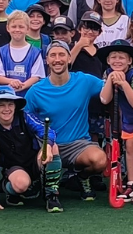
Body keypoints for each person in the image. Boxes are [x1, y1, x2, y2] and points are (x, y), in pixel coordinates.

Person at [24, 41, 110, 188]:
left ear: (69, 58)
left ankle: (79, 177)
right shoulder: (36, 90)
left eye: (61, 55)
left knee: (100, 160)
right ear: (47, 60)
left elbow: (109, 86)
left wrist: (128, 72)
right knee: (36, 174)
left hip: (78, 145)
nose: (57, 59)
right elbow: (23, 117)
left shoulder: (84, 81)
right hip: (48, 145)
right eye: (53, 55)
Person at [0, 85, 62, 212]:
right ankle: (7, 187)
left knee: (53, 147)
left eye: (10, 104)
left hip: (34, 161)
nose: (7, 109)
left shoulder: (25, 117)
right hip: (14, 167)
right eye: (1, 105)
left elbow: (48, 131)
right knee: (21, 184)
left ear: (15, 105)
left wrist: (47, 145)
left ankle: (51, 195)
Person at [99, 39, 133, 204]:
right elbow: (104, 99)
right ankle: (132, 183)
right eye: (113, 57)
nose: (117, 61)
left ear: (129, 60)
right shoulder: (108, 73)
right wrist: (110, 79)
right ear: (108, 60)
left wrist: (123, 83)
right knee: (130, 148)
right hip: (129, 117)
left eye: (121, 57)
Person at [0, 11, 45, 96]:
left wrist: (22, 86)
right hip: (6, 97)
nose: (17, 30)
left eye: (21, 27)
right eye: (14, 26)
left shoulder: (35, 53)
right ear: (8, 28)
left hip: (27, 97)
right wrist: (12, 81)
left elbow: (36, 77)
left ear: (28, 29)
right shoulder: (1, 52)